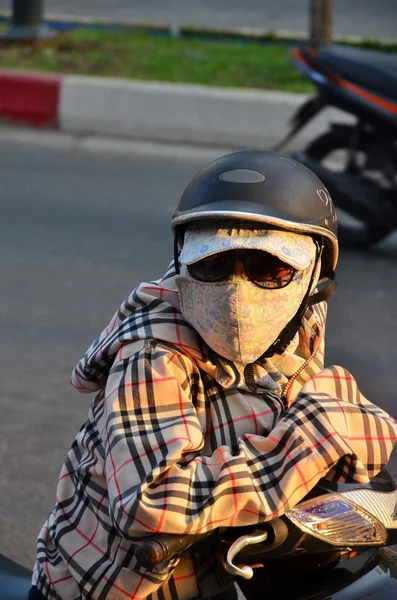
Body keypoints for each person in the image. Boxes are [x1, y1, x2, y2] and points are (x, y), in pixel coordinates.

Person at [29, 151, 397, 600]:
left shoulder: (298, 327)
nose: (237, 293)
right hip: (121, 589)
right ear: (184, 262)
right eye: (213, 264)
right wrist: (312, 439)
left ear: (315, 273)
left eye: (270, 268)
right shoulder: (152, 354)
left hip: (219, 574)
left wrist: (345, 425)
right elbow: (151, 502)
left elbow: (305, 407)